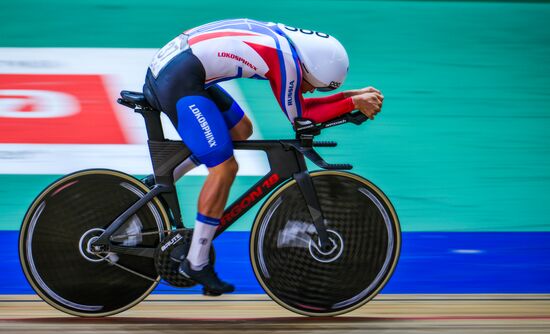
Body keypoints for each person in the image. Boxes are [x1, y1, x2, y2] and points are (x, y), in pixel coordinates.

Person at [142, 18, 384, 295]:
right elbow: (302, 116)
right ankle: (196, 262)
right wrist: (352, 102)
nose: (312, 89)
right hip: (177, 80)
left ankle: (164, 179)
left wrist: (352, 96)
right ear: (310, 68)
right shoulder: (286, 62)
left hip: (181, 70)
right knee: (224, 168)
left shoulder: (288, 48)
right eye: (315, 85)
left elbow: (302, 103)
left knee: (240, 129)